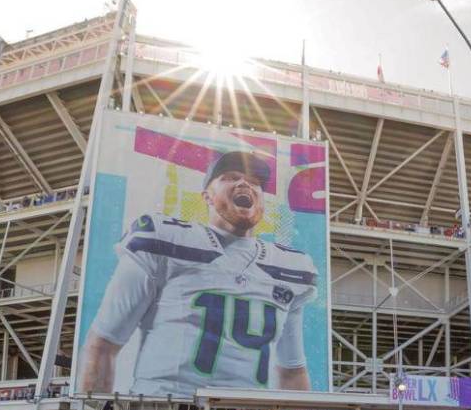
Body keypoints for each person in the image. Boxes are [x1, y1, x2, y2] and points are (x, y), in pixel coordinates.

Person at [79, 151, 318, 395]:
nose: (245, 183)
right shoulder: (163, 238)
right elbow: (104, 344)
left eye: (255, 182)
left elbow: (292, 371)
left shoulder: (291, 267)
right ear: (207, 196)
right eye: (230, 177)